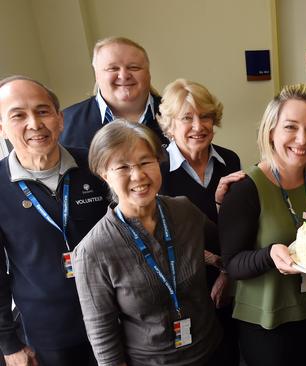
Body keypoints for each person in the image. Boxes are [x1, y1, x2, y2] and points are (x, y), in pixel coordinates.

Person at [73, 120, 220, 365]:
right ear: (104, 174)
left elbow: (225, 247)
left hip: (212, 350)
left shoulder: (184, 210)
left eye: (145, 162)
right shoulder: (92, 251)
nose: (138, 175)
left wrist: (223, 270)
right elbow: (102, 334)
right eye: (122, 167)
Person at [218, 84, 306, 366]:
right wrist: (269, 254)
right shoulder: (246, 187)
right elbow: (232, 263)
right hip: (268, 322)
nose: (302, 138)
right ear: (271, 132)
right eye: (290, 127)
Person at [0, 76, 108, 365]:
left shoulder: (96, 165)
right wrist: (9, 344)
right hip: (48, 336)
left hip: (114, 321)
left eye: (43, 111)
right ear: (1, 127)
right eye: (18, 115)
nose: (35, 123)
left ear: (60, 119)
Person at [157, 78, 243, 366]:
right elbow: (159, 235)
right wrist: (217, 264)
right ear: (169, 125)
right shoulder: (156, 169)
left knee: (229, 353)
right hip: (182, 285)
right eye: (187, 118)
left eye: (205, 116)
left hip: (229, 279)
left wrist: (228, 273)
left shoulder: (229, 160)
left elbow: (237, 222)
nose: (198, 126)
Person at [61, 36, 167, 149]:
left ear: (148, 73)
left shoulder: (178, 116)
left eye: (134, 67)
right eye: (113, 68)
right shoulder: (66, 123)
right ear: (97, 75)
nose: (124, 75)